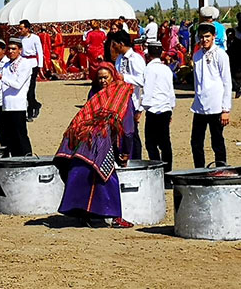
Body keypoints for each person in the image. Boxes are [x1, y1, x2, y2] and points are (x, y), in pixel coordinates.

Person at [54, 62, 135, 229]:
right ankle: (113, 217)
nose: (103, 81)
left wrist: (124, 150)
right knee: (101, 175)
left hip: (93, 138)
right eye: (100, 78)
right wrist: (125, 152)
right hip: (91, 138)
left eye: (106, 77)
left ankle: (88, 214)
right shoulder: (95, 92)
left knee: (91, 173)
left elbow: (126, 128)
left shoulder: (122, 93)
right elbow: (127, 130)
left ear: (114, 76)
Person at [191, 23, 232, 168]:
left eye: (207, 36)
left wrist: (226, 109)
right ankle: (199, 171)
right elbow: (197, 82)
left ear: (214, 37)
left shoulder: (221, 55)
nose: (204, 40)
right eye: (202, 37)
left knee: (217, 141)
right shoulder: (197, 56)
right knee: (196, 142)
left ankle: (221, 169)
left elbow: (227, 82)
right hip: (200, 106)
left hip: (216, 106)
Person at [0, 37, 34, 157]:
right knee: (10, 138)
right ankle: (14, 161)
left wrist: (1, 77)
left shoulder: (25, 64)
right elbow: (1, 87)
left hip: (18, 105)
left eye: (14, 49)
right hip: (6, 105)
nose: (11, 51)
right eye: (9, 49)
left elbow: (18, 84)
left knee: (21, 136)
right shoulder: (6, 65)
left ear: (20, 50)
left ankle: (26, 159)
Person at [141, 41, 175, 175]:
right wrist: (171, 107)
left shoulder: (149, 69)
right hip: (165, 107)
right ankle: (167, 170)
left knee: (151, 143)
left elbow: (148, 90)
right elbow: (170, 90)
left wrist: (143, 106)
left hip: (153, 109)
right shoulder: (166, 69)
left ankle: (157, 169)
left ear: (149, 54)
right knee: (165, 142)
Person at [111, 30, 145, 159]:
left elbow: (142, 80)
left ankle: (136, 159)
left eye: (114, 44)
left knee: (133, 134)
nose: (113, 47)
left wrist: (123, 77)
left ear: (121, 43)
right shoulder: (119, 59)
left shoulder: (135, 59)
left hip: (132, 101)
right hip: (119, 102)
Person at [18, 20, 45, 121]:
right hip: (23, 64)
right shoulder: (19, 39)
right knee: (23, 89)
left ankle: (30, 113)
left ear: (27, 29)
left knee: (31, 88)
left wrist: (40, 66)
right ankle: (36, 104)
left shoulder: (34, 38)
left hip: (33, 64)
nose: (20, 30)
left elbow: (39, 51)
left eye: (21, 28)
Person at [226, 28, 241, 98]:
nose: (229, 36)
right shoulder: (227, 42)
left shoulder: (238, 42)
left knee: (231, 76)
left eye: (231, 34)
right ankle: (237, 87)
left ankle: (237, 87)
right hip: (229, 61)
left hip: (237, 62)